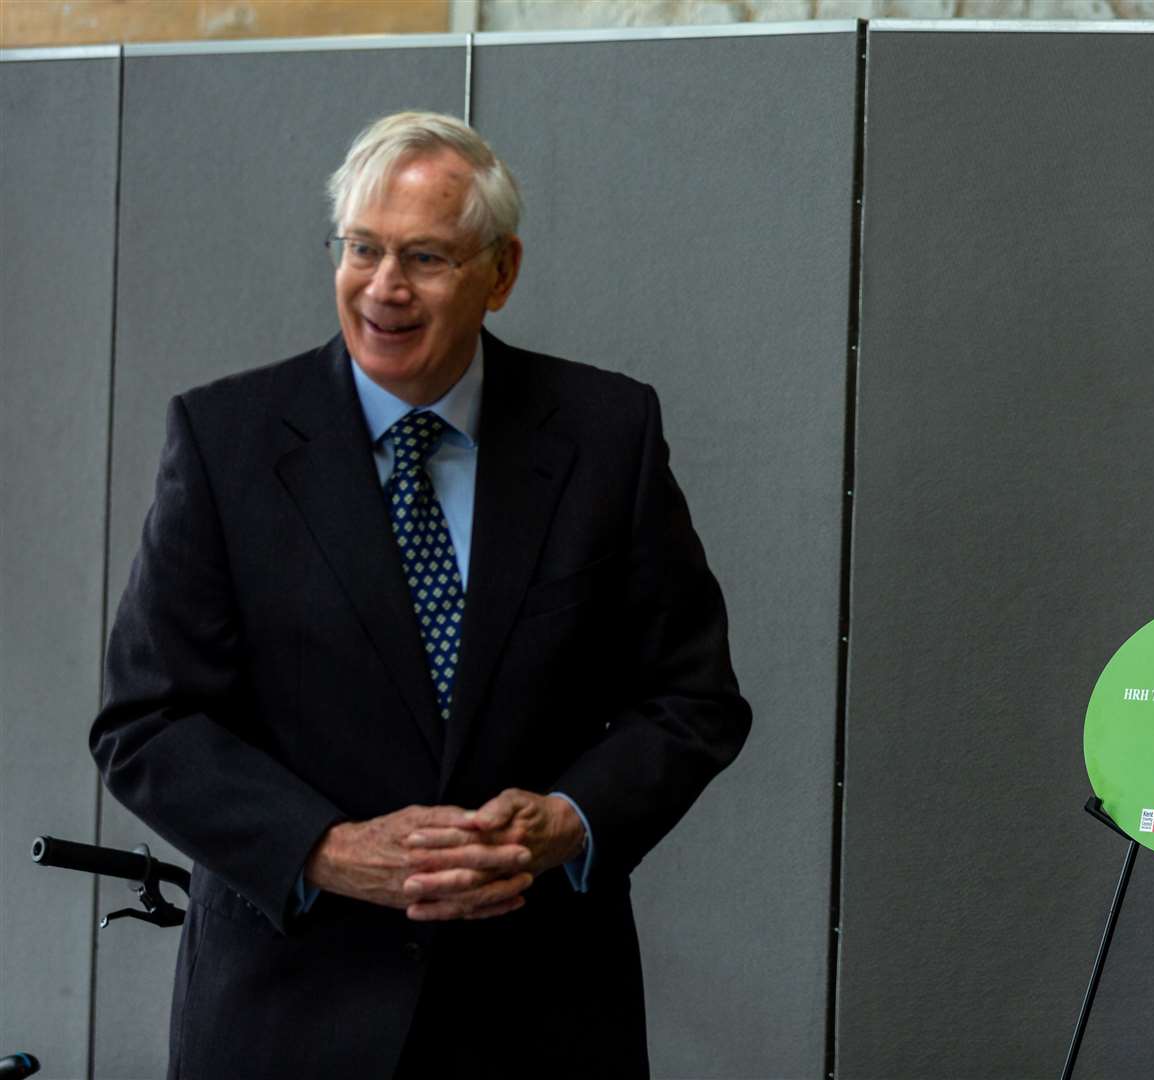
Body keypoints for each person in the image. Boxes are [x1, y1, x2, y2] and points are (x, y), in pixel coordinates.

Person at [90, 111, 750, 1080]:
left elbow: (694, 700)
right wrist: (326, 849)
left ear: (502, 272)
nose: (383, 288)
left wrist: (569, 818)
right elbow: (145, 721)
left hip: (543, 1017)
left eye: (426, 258)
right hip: (289, 1018)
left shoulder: (608, 436)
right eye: (363, 249)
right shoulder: (225, 440)